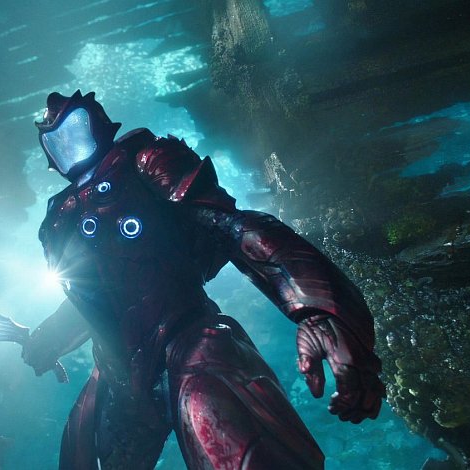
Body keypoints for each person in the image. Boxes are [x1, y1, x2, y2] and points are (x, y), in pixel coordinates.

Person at [21, 90, 384, 470]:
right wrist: (48, 339)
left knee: (223, 431)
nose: (67, 144)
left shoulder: (144, 163)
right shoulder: (60, 219)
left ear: (97, 123)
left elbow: (232, 228)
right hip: (119, 374)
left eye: (73, 128)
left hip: (189, 339)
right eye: (55, 138)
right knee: (81, 453)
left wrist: (317, 309)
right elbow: (95, 298)